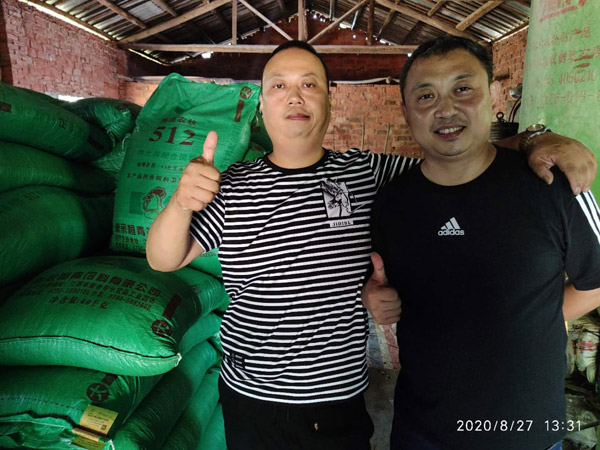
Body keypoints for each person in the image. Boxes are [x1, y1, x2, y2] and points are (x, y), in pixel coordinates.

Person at [146, 40, 596, 450]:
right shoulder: (232, 185)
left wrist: (540, 139)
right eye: (278, 85)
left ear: (330, 99)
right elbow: (164, 258)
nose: (294, 96)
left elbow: (454, 152)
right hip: (252, 394)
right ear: (262, 104)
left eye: (309, 84)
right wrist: (181, 202)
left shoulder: (366, 173)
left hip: (338, 396)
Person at [363, 35, 600, 450]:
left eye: (462, 88)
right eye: (426, 96)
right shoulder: (391, 202)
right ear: (405, 111)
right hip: (421, 431)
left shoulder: (552, 184)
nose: (445, 109)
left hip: (524, 434)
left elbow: (596, 283)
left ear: (493, 96)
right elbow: (387, 284)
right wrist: (375, 297)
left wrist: (526, 317)